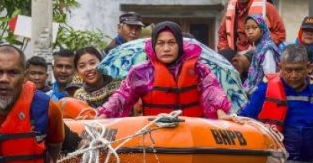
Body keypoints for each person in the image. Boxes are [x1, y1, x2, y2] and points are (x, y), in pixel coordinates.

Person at [98, 22, 232, 119]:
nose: (166, 48)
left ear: (179, 45)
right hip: (156, 132)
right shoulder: (141, 72)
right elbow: (122, 96)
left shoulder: (198, 68)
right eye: (160, 43)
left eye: (171, 43)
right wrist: (104, 114)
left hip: (194, 131)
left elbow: (212, 91)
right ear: (154, 46)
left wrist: (221, 113)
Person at [217, 0, 286, 51]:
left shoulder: (266, 6)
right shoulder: (231, 9)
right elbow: (222, 36)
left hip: (260, 54)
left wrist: (263, 46)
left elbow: (280, 33)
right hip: (237, 56)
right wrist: (225, 50)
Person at [243, 14, 280, 92]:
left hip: (263, 93)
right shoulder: (258, 47)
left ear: (262, 28)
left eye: (254, 28)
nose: (250, 32)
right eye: (247, 28)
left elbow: (270, 75)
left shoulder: (267, 48)